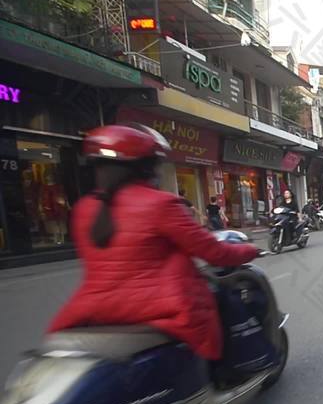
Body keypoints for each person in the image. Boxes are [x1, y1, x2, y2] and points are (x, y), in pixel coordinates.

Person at [48, 124, 259, 361]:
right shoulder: (161, 205)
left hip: (91, 309)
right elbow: (214, 253)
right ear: (147, 167)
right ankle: (227, 367)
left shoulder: (84, 208)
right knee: (222, 298)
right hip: (161, 308)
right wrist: (250, 250)